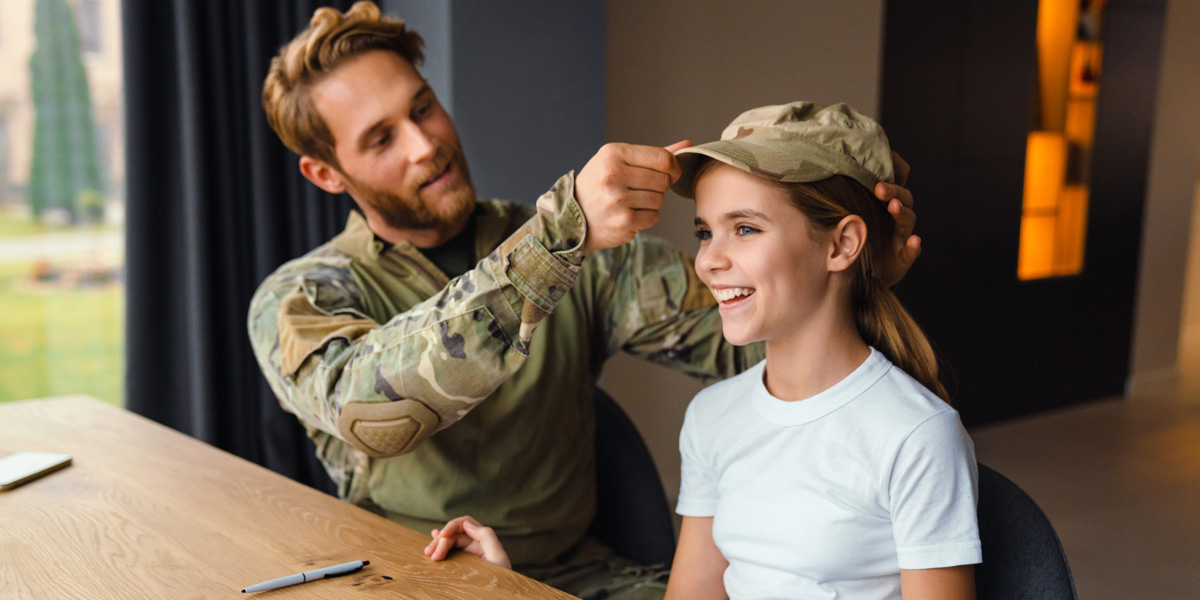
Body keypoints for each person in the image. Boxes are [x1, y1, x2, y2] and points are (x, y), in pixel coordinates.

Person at [248, 2, 922, 597]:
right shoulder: (300, 299)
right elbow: (372, 410)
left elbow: (780, 356)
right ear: (324, 173)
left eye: (422, 107)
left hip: (583, 576)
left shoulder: (590, 260)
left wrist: (849, 274)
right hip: (412, 580)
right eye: (381, 138)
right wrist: (558, 238)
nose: (426, 145)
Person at [428, 102, 979, 599]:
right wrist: (508, 588)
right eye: (704, 232)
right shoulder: (714, 417)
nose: (709, 260)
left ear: (842, 244)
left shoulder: (916, 436)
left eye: (744, 228)